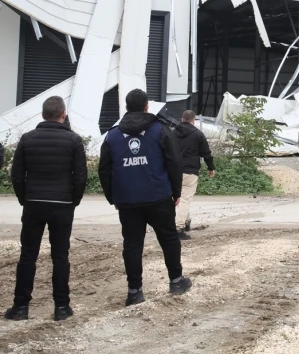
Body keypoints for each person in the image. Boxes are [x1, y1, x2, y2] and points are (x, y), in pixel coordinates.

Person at [99, 89, 192, 306]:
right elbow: (174, 162)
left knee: (132, 245)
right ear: (146, 106)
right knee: (169, 239)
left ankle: (134, 292)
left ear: (126, 107)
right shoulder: (160, 130)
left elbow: (104, 170)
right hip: (158, 196)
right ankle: (176, 281)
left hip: (128, 201)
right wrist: (176, 192)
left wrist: (113, 197)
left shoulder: (112, 136)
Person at [4, 96, 87, 322]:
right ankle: (61, 307)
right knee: (60, 256)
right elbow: (80, 177)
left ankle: (20, 307)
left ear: (42, 115)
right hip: (62, 204)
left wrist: (25, 198)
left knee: (28, 255)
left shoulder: (27, 139)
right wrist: (73, 201)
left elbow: (17, 174)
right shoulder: (74, 140)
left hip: (33, 203)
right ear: (63, 115)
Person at [173, 110, 215, 240]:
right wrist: (211, 167)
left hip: (173, 171)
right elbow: (206, 153)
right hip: (190, 171)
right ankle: (178, 228)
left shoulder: (172, 133)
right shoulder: (198, 134)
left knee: (176, 198)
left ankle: (186, 221)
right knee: (185, 199)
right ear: (193, 120)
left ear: (182, 119)